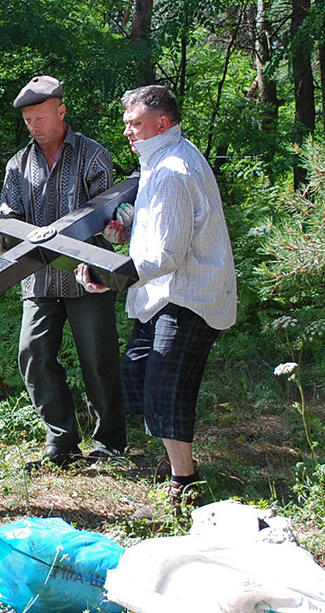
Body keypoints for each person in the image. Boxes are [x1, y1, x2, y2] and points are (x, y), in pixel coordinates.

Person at [75, 84, 236, 506]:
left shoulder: (171, 170)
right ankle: (174, 462)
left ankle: (185, 483)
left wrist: (109, 276)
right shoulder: (161, 159)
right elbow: (159, 231)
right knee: (139, 376)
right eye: (127, 124)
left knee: (166, 387)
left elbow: (166, 255)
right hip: (162, 294)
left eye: (135, 124)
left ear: (162, 123)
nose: (128, 132)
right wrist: (126, 232)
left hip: (188, 295)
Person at [0, 75, 126, 468]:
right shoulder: (18, 164)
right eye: (28, 120)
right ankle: (61, 442)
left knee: (98, 358)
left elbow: (106, 214)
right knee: (32, 353)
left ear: (61, 111)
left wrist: (119, 226)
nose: (34, 126)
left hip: (87, 276)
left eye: (41, 117)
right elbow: (9, 217)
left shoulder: (94, 156)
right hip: (39, 278)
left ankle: (109, 443)